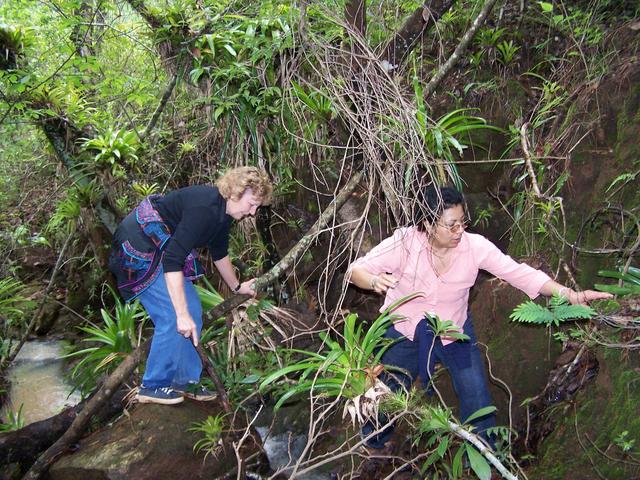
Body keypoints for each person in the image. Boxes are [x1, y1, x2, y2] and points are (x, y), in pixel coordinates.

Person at [348, 185, 611, 449]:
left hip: (454, 331)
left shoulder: (474, 247)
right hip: (403, 331)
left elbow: (519, 273)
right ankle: (373, 444)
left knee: (476, 397)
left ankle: (483, 455)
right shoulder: (404, 244)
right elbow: (355, 270)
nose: (459, 231)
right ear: (428, 224)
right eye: (451, 225)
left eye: (463, 222)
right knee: (388, 390)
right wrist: (372, 280)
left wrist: (569, 295)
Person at [109, 166, 273, 405]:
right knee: (172, 314)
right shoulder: (204, 208)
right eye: (252, 204)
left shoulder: (223, 215)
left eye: (257, 206)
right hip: (139, 245)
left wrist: (238, 288)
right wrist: (181, 314)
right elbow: (173, 260)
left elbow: (219, 254)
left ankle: (184, 381)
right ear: (236, 192)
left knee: (192, 308)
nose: (253, 212)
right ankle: (153, 385)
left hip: (162, 247)